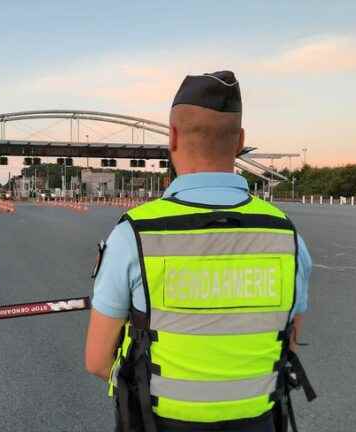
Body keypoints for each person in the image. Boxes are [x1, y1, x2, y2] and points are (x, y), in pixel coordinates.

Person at [85, 71, 315, 432]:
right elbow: (290, 342)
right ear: (240, 141)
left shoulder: (134, 234)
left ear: (173, 137)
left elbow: (98, 360)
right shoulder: (286, 235)